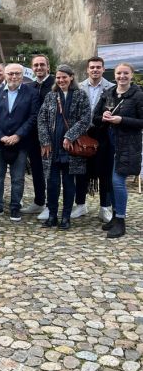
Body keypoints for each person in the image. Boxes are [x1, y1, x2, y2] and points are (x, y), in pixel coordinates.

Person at [93, 63, 143, 239]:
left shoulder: (138, 95)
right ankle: (115, 216)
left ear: (131, 75)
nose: (122, 76)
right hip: (108, 144)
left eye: (125, 73)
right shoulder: (108, 93)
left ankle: (120, 220)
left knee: (118, 181)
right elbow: (95, 117)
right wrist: (103, 117)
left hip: (127, 145)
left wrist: (122, 120)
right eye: (119, 73)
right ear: (114, 75)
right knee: (111, 182)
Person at [37, 65, 91, 230]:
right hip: (52, 148)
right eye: (58, 77)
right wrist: (45, 140)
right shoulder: (51, 95)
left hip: (71, 148)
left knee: (69, 184)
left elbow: (85, 119)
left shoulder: (81, 95)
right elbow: (42, 119)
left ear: (71, 77)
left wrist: (69, 136)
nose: (61, 80)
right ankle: (52, 215)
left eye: (64, 77)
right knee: (52, 183)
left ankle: (66, 217)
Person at [0, 63, 39, 222]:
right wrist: (1, 136)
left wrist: (18, 135)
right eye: (10, 73)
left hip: (20, 143)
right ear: (5, 75)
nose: (14, 76)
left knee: (18, 178)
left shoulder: (31, 93)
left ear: (22, 75)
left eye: (17, 73)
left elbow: (33, 116)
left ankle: (15, 207)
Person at [71, 56, 115, 222]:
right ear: (87, 70)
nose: (95, 70)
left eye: (98, 67)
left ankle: (105, 207)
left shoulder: (112, 88)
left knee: (105, 171)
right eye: (92, 67)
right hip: (82, 134)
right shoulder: (78, 87)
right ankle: (80, 204)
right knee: (81, 170)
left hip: (103, 134)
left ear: (103, 69)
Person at [22, 55, 54, 220]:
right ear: (32, 68)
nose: (39, 67)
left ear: (48, 67)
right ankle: (39, 201)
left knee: (51, 171)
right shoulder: (30, 86)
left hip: (51, 135)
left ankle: (51, 205)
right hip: (33, 136)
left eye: (42, 64)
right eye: (36, 65)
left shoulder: (55, 84)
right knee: (36, 170)